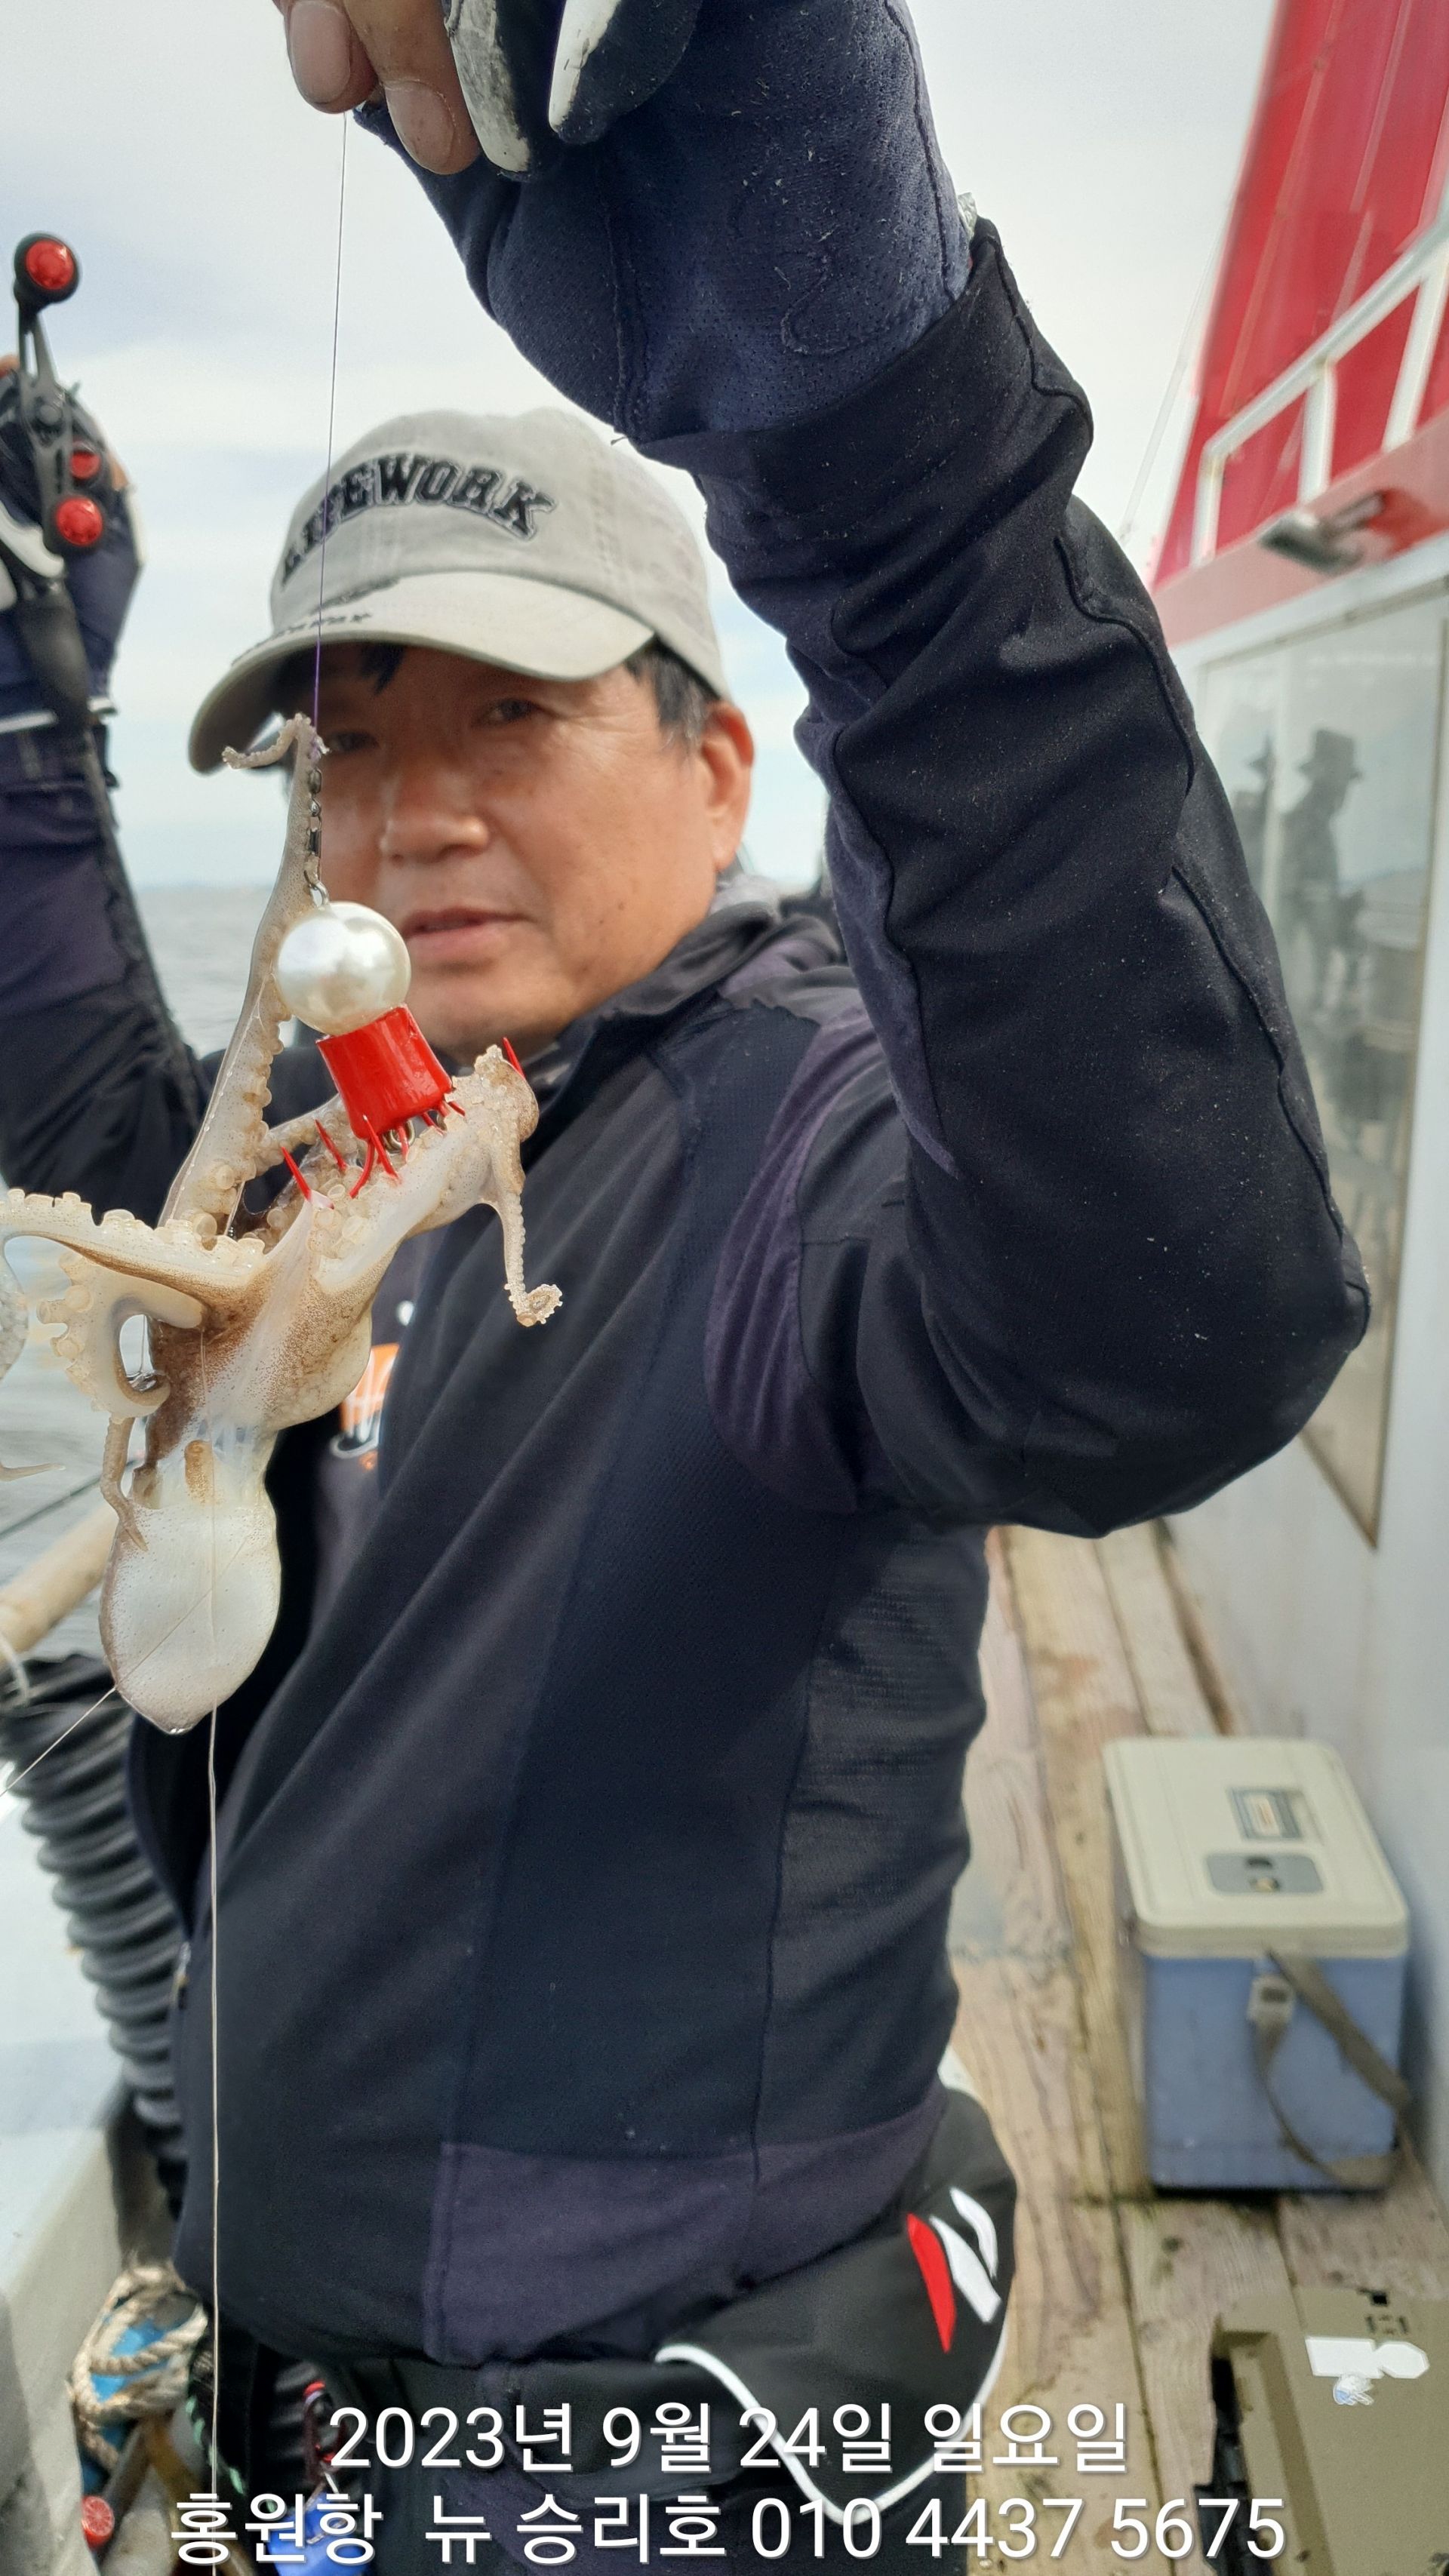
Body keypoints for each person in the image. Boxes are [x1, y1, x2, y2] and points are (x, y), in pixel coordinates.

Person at [0, 1, 1367, 2565]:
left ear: (722, 763)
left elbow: (1161, 1324)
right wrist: (15, 731)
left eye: (509, 716)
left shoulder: (804, 1122)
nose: (411, 816)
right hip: (307, 2428)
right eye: (343, 747)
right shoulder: (340, 1158)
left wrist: (884, 457)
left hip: (645, 2472)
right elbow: (91, 1134)